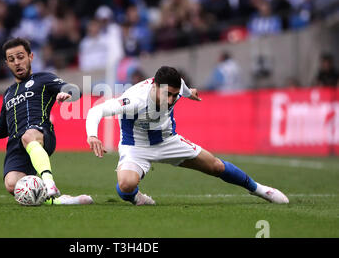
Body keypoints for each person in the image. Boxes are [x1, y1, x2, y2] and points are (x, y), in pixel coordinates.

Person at [85, 66, 289, 205]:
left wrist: (190, 93)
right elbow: (96, 111)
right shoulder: (133, 99)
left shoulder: (175, 85)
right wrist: (93, 135)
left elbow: (183, 89)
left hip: (168, 141)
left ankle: (260, 189)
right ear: (154, 86)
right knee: (126, 184)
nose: (172, 99)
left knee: (215, 166)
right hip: (136, 146)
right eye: (168, 95)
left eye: (175, 95)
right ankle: (138, 198)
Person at [0, 37, 92, 205]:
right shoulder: (8, 93)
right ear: (7, 64)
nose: (17, 62)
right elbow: (3, 129)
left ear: (30, 57)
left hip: (40, 134)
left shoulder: (43, 79)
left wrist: (66, 93)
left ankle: (49, 183)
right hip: (16, 145)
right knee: (12, 184)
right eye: (11, 59)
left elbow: (75, 90)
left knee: (28, 136)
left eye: (20, 57)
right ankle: (61, 201)